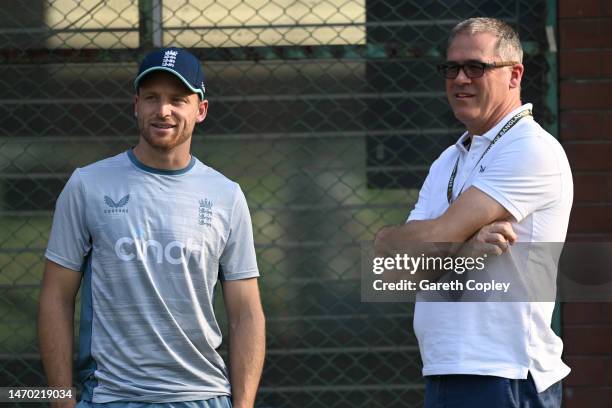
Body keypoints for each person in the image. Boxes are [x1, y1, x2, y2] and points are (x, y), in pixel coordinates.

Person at [38, 47, 265, 408]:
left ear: (201, 110)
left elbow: (246, 312)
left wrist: (244, 405)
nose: (163, 111)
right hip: (111, 398)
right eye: (152, 98)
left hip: (203, 397)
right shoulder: (87, 185)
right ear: (136, 105)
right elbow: (56, 297)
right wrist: (60, 401)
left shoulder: (226, 195)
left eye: (178, 99)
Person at [375, 18, 572, 407]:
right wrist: (462, 251)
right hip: (444, 366)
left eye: (476, 67)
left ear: (514, 75)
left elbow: (433, 239)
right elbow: (391, 270)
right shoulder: (447, 160)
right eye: (451, 68)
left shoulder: (530, 149)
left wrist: (426, 243)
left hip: (506, 373)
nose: (460, 78)